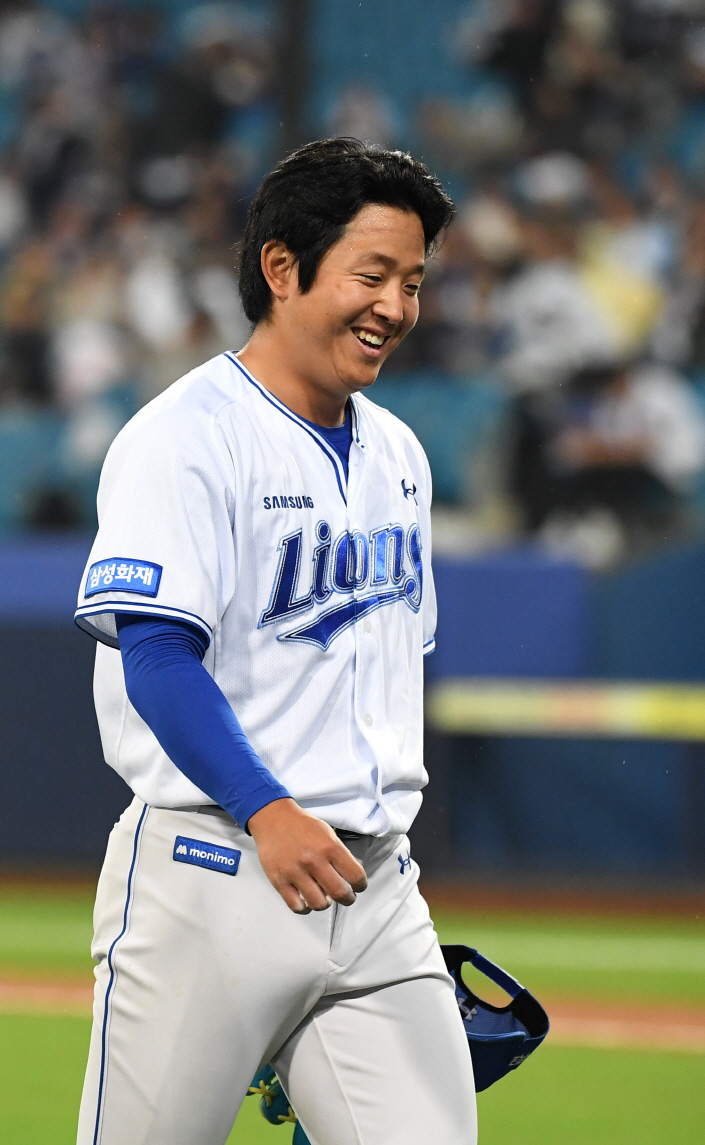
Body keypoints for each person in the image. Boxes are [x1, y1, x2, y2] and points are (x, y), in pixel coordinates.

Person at [73, 138, 474, 1145]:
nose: (395, 306)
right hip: (216, 870)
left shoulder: (400, 454)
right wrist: (266, 805)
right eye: (372, 275)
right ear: (283, 268)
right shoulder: (183, 435)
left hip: (375, 890)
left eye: (413, 282)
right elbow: (156, 656)